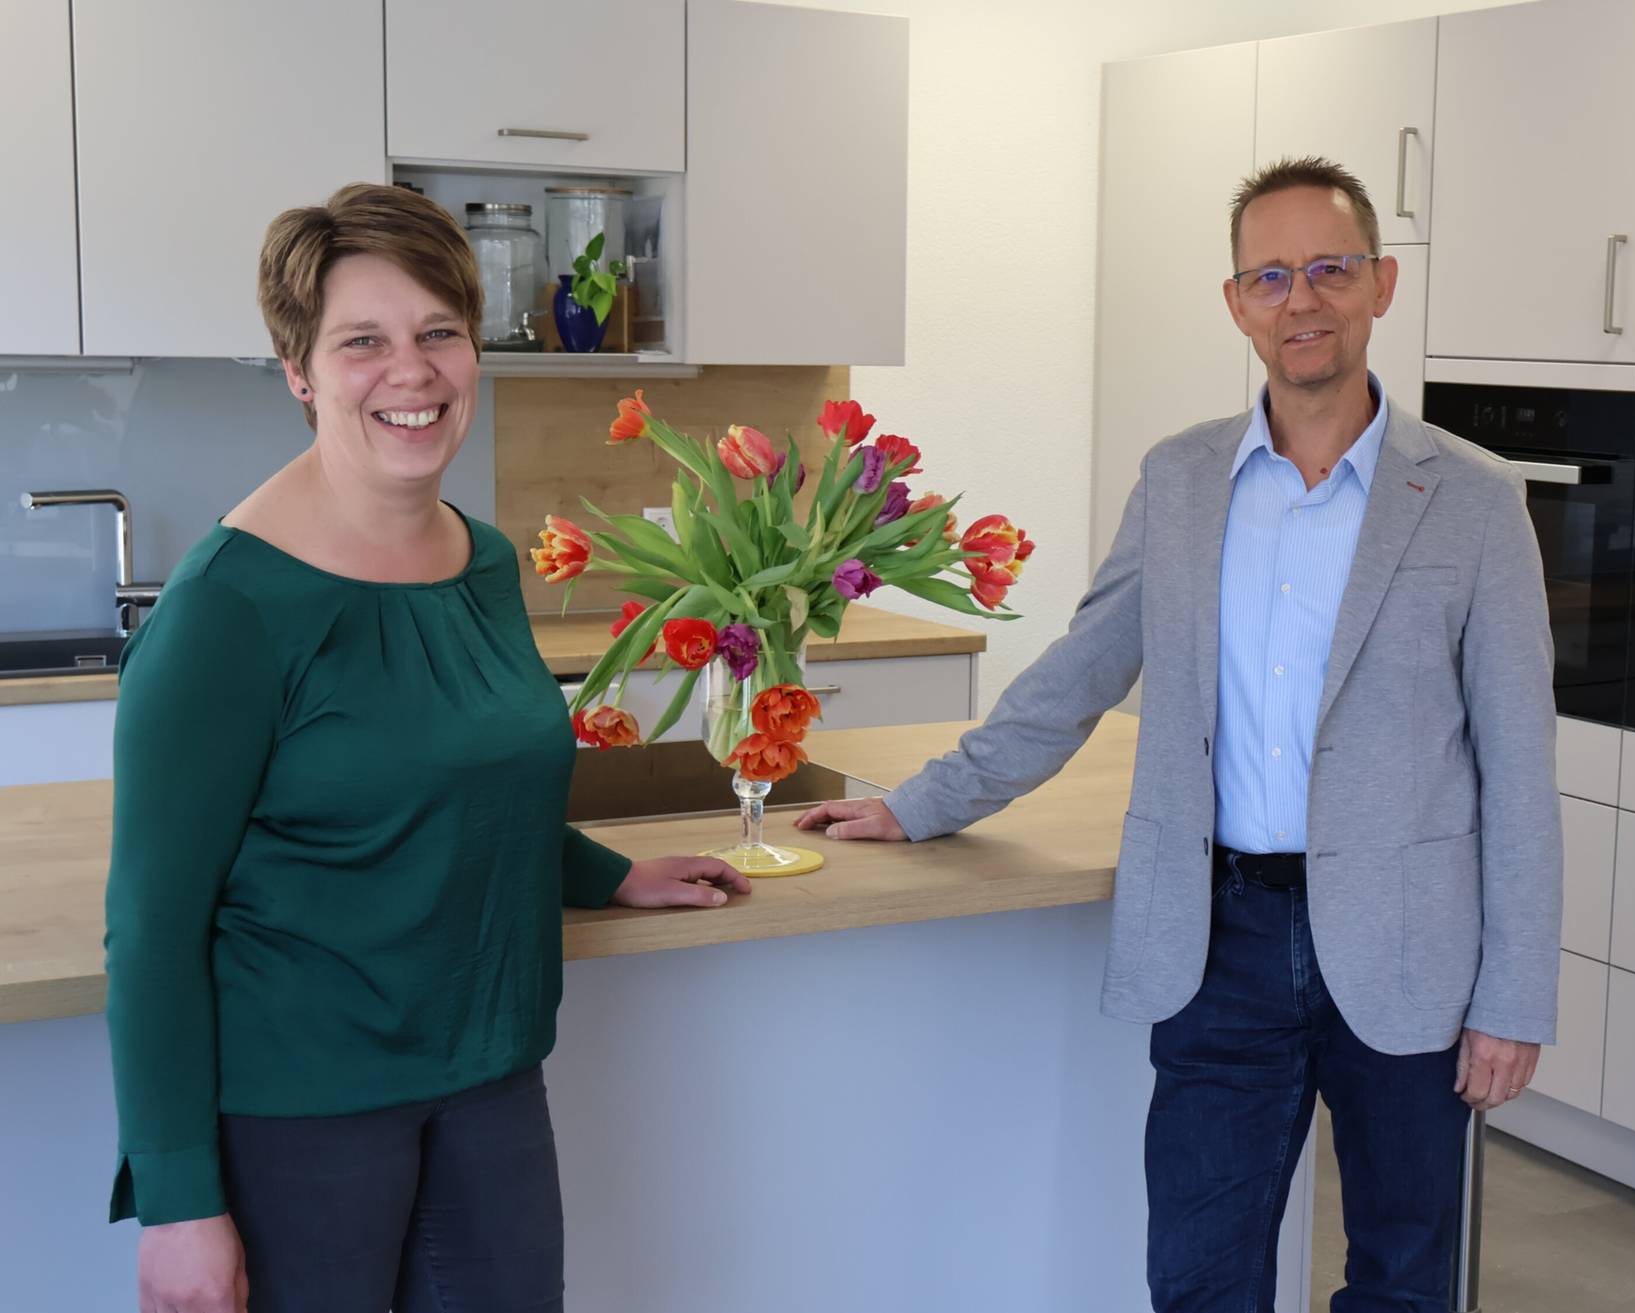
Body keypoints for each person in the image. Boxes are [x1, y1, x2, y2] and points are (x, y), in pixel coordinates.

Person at [797, 156, 1561, 1312]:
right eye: (1270, 275)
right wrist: (922, 801)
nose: (1300, 298)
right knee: (1201, 1275)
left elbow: (1518, 765)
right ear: (1237, 302)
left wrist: (1515, 993)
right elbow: (1078, 672)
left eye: (1328, 268)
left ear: (1380, 285)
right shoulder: (1181, 480)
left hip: (1412, 948)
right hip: (1218, 939)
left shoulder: (1474, 499)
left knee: (1405, 1275)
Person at [105, 182, 750, 1313]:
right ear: (300, 370)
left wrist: (611, 873)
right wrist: (177, 1201)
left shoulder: (483, 560)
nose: (412, 371)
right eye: (363, 341)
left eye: (439, 332)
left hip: (492, 1075)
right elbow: (151, 930)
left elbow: (470, 787)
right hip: (300, 1108)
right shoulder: (229, 609)